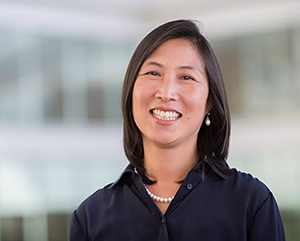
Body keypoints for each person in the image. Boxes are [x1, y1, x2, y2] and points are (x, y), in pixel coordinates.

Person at [69, 19, 286, 241]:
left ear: (209, 102)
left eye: (186, 77)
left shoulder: (251, 202)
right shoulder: (90, 218)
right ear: (130, 90)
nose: (166, 92)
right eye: (153, 73)